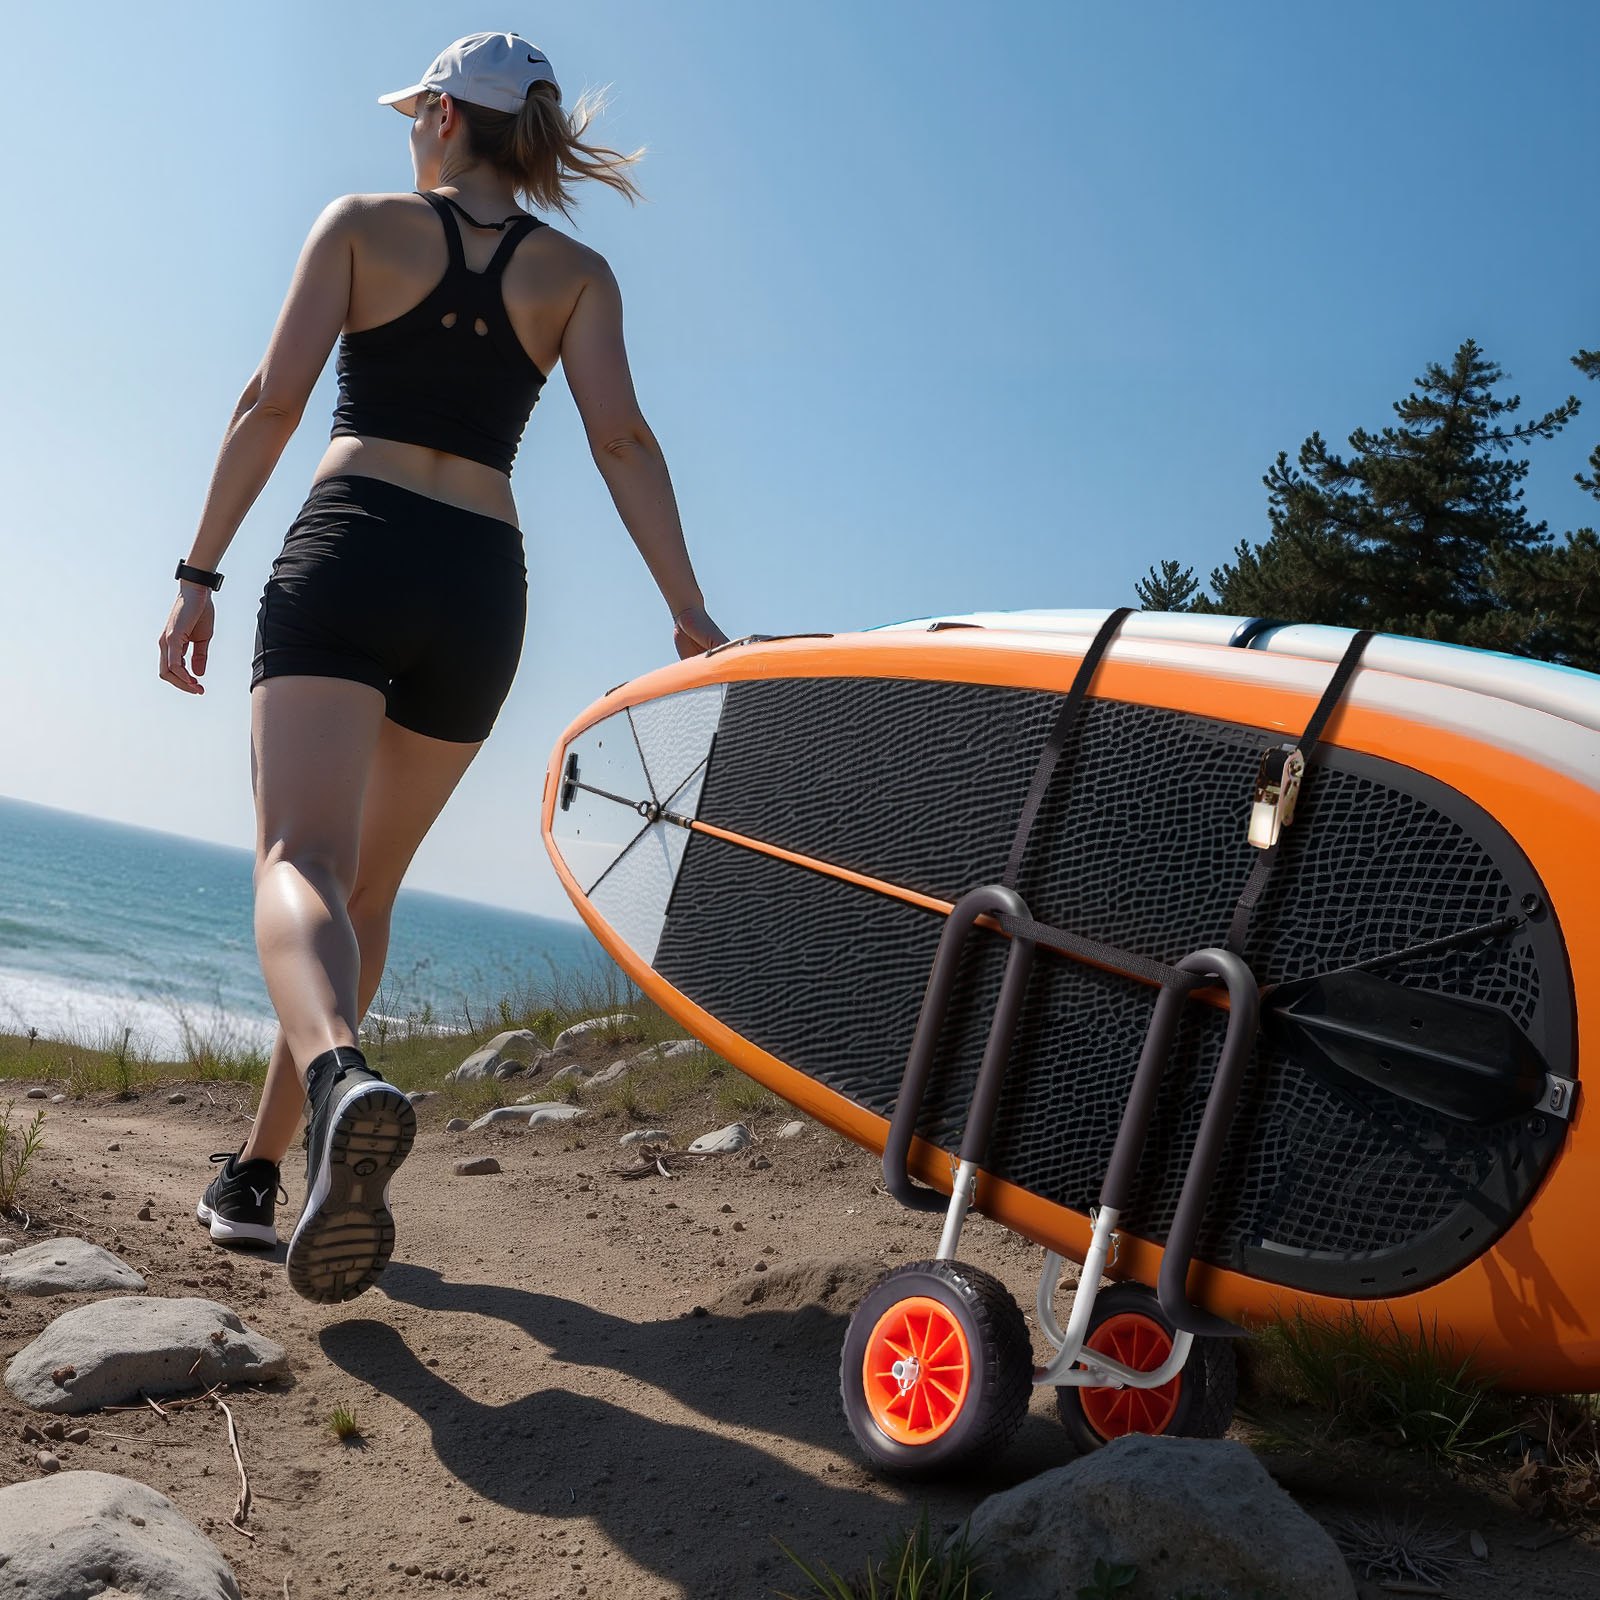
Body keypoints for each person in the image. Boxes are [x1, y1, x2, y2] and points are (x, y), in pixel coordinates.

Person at [158, 32, 725, 1303]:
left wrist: (197, 572)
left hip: (353, 548)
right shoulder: (576, 272)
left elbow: (271, 400)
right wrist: (688, 608)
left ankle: (339, 1080)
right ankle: (261, 1175)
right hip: (479, 583)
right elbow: (622, 440)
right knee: (360, 893)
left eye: (417, 110)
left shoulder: (362, 224)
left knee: (298, 863)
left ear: (439, 120)